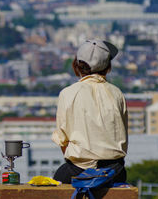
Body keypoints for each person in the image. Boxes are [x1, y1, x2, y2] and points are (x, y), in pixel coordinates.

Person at [52, 39, 128, 184]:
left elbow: (62, 140)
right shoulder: (117, 93)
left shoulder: (68, 93)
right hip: (115, 171)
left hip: (79, 169)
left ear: (76, 65)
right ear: (108, 67)